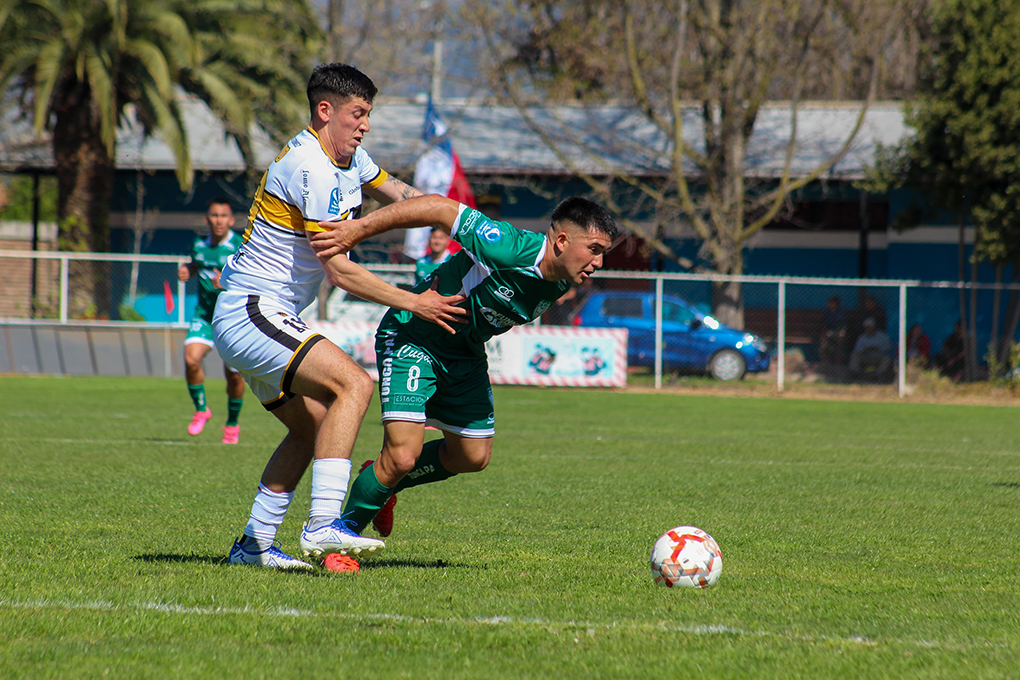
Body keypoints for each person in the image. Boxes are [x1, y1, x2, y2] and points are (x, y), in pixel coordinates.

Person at [212, 63, 467, 570]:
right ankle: (324, 522)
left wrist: (466, 222)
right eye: (359, 114)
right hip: (252, 309)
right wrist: (415, 301)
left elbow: (403, 196)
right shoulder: (310, 166)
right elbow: (341, 273)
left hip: (257, 314)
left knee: (312, 428)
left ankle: (254, 545)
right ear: (326, 111)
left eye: (368, 114)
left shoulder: (349, 158)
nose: (365, 124)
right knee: (353, 385)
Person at [309, 193, 618, 542]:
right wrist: (358, 230)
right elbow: (440, 207)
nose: (599, 261)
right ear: (561, 241)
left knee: (472, 455)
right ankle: (338, 537)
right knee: (401, 455)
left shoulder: (562, 280)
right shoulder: (510, 248)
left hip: (464, 352)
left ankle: (380, 482)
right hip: (415, 335)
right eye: (594, 249)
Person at [177, 198, 246, 444]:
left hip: (232, 319)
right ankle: (201, 409)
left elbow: (252, 278)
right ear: (207, 219)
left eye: (223, 216)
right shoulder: (198, 245)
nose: (219, 220)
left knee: (234, 376)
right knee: (190, 359)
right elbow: (197, 265)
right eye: (214, 215)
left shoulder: (240, 246)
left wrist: (227, 283)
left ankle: (232, 425)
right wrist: (188, 270)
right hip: (205, 316)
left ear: (231, 220)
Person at [819, 295, 848, 365]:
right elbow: (824, 324)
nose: (831, 305)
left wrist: (842, 333)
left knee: (840, 340)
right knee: (824, 341)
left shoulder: (840, 313)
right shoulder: (827, 313)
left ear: (836, 304)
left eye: (833, 303)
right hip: (829, 332)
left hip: (838, 332)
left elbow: (844, 326)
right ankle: (825, 360)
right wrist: (823, 333)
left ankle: (839, 360)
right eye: (830, 303)